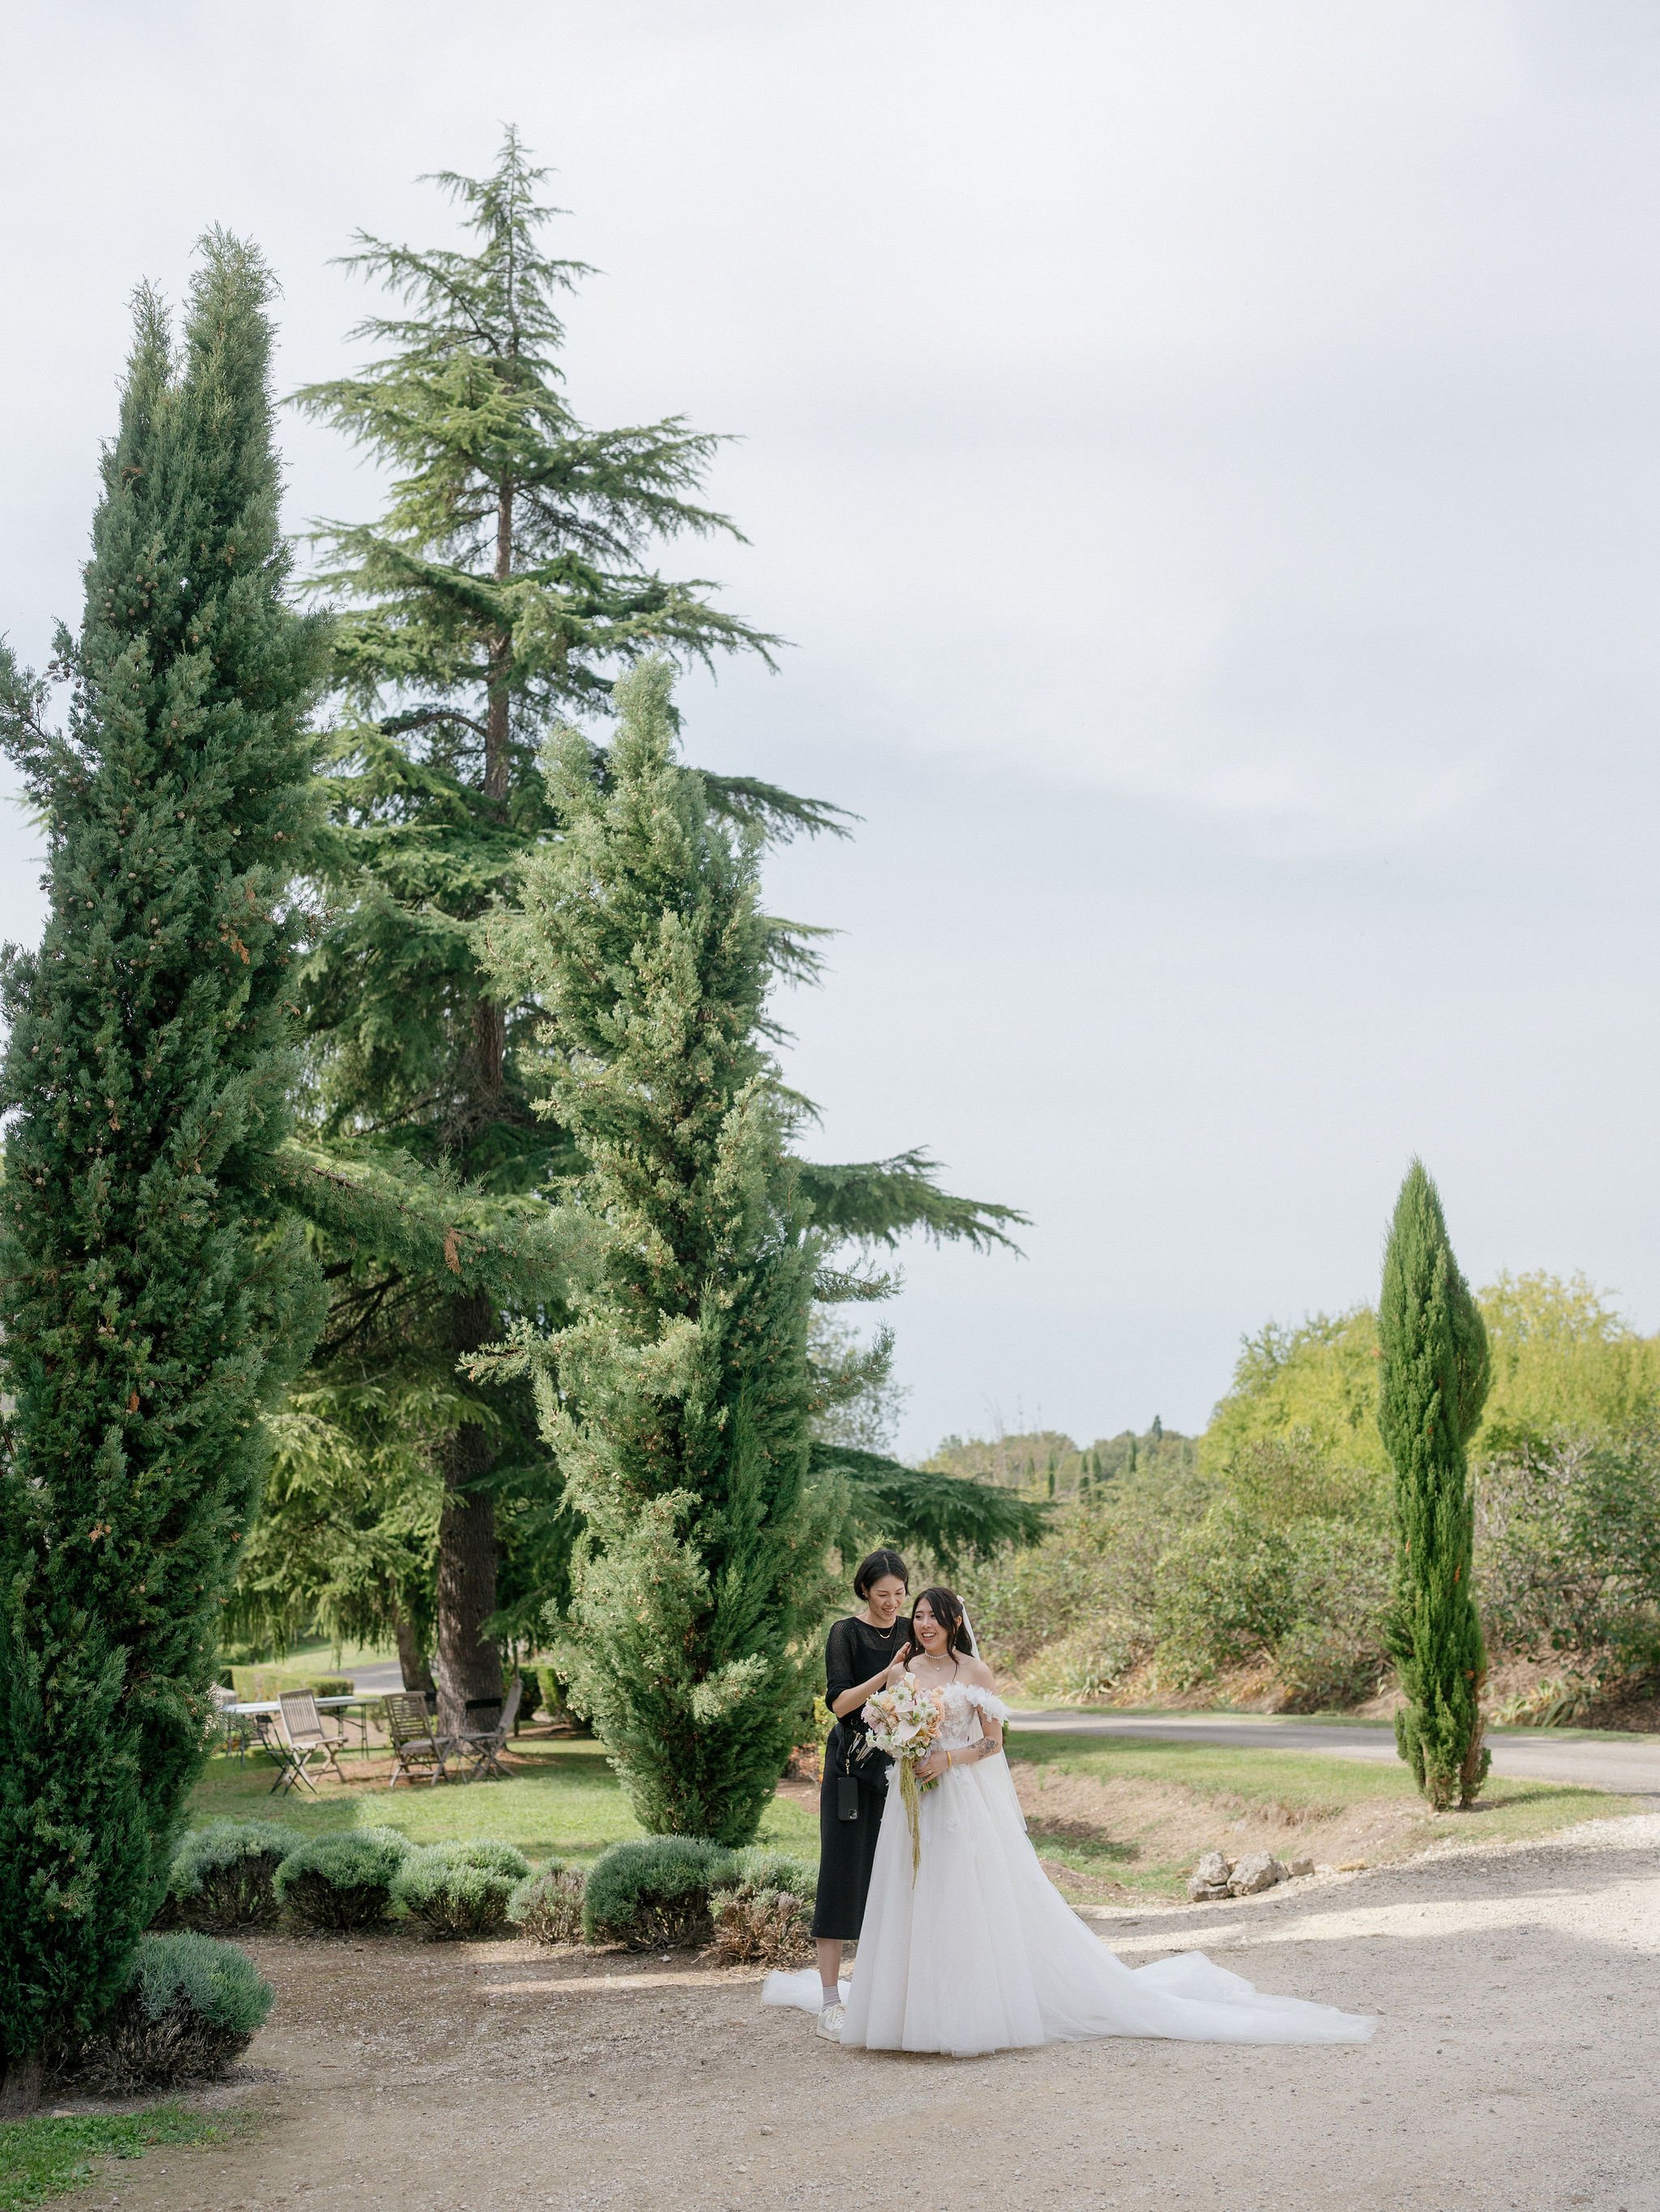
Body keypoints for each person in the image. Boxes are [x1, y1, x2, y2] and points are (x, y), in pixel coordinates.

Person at [768, 1586, 1375, 2058]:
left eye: (932, 1614)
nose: (921, 1622)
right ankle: (902, 2016)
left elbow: (993, 1743)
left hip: (959, 1802)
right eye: (917, 1613)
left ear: (953, 1622)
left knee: (962, 1904)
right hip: (911, 1807)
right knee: (911, 1901)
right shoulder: (903, 1674)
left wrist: (944, 1757)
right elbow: (875, 1720)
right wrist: (902, 1744)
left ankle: (965, 2015)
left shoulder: (973, 1674)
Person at [808, 1548, 912, 2042]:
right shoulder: (845, 1633)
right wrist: (887, 1677)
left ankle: (888, 1992)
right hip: (851, 1768)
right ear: (864, 1591)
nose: (892, 1603)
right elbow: (841, 1703)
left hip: (904, 1771)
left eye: (899, 1594)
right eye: (882, 1594)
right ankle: (830, 2002)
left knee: (899, 1878)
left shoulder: (918, 1630)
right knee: (842, 1875)